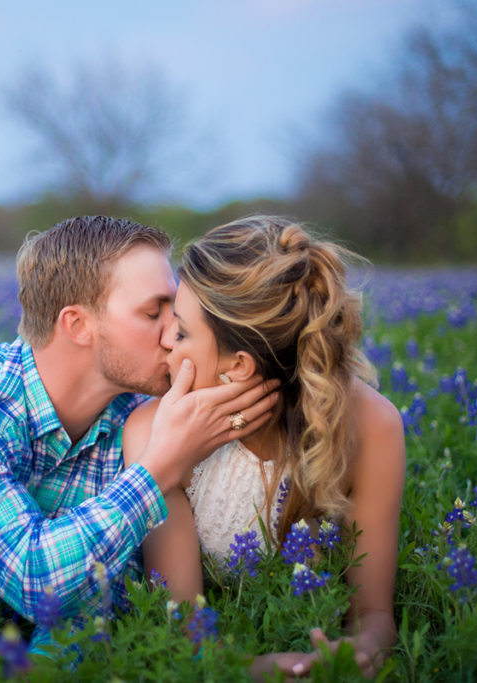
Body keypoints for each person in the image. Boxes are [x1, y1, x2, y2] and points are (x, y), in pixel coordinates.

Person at [0, 215, 280, 650]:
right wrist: (159, 467)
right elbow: (38, 579)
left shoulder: (136, 414)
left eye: (175, 310)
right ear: (77, 325)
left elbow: (105, 593)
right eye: (152, 311)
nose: (174, 334)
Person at [122, 216, 406, 678]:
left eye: (181, 329)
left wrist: (358, 653)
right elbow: (180, 629)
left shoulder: (371, 425)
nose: (164, 341)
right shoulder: (151, 431)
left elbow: (372, 614)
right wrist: (257, 668)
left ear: (238, 367)